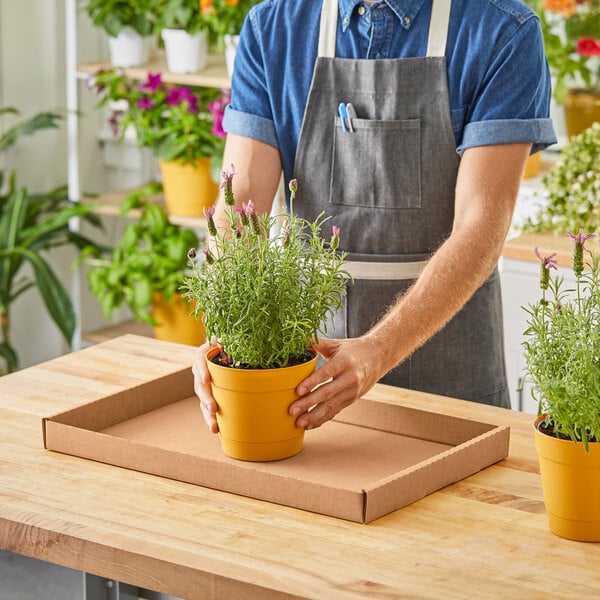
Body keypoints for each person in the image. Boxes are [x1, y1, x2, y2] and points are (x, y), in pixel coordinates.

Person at [193, 0, 557, 433]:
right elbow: (242, 202)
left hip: (449, 372)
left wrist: (378, 349)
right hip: (307, 378)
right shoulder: (274, 27)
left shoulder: (501, 30)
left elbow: (481, 227)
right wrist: (228, 332)